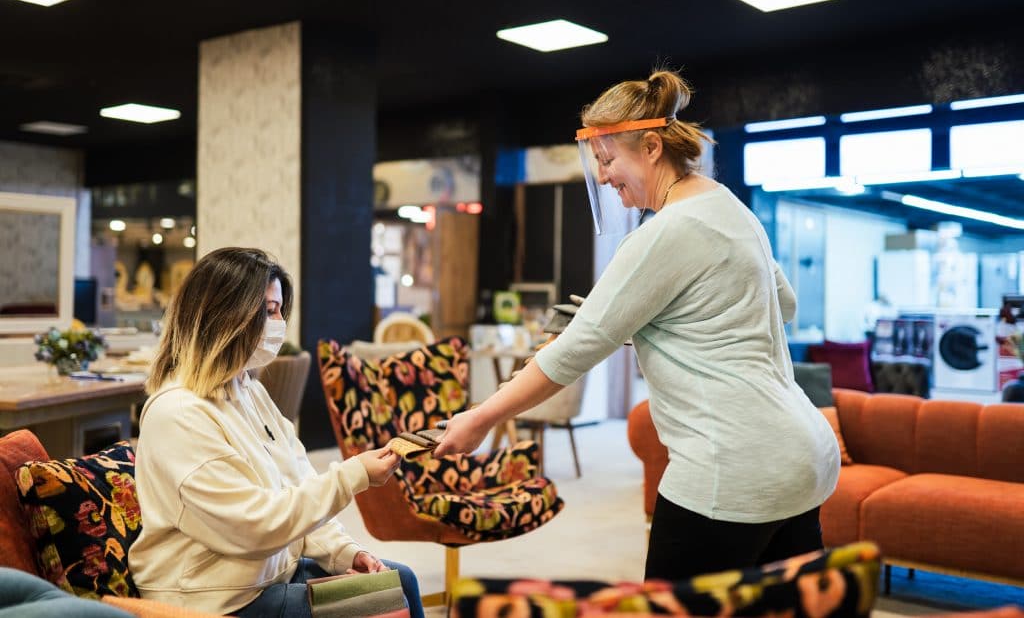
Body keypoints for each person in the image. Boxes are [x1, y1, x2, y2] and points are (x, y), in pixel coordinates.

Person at [435, 70, 840, 581]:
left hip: (732, 467)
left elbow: (572, 352)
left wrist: (480, 418)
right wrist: (667, 321)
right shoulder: (728, 206)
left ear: (652, 147)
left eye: (608, 160)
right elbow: (782, 305)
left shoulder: (666, 231)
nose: (602, 177)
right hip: (803, 457)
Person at [128, 247, 424, 617]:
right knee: (384, 602)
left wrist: (346, 553)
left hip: (267, 576)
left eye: (280, 310)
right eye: (269, 311)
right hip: (214, 598)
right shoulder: (178, 413)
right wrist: (354, 476)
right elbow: (255, 527)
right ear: (225, 315)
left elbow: (296, 487)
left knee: (402, 580)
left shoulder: (247, 389)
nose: (279, 323)